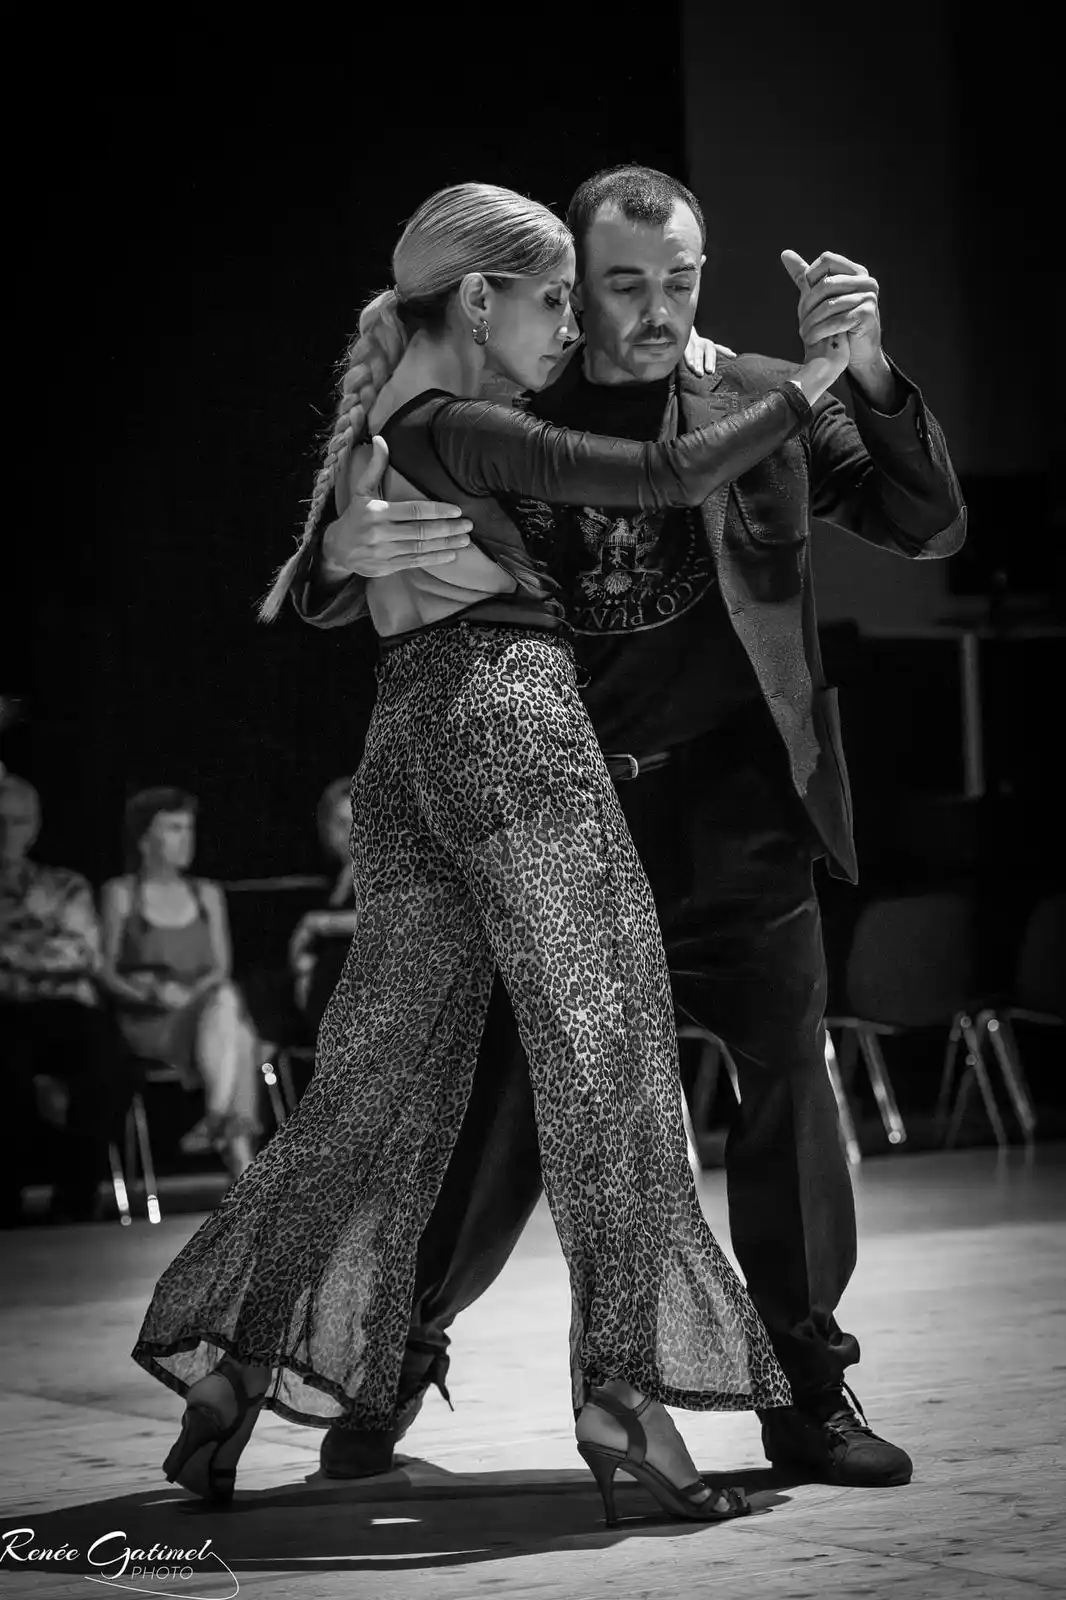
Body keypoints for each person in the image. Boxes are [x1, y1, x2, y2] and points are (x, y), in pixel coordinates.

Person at [130, 181, 854, 1524]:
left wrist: (339, 555)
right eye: (553, 301)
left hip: (404, 740)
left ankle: (234, 1377)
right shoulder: (462, 418)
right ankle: (627, 1412)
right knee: (615, 1079)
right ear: (478, 299)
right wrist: (810, 382)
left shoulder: (381, 428)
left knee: (364, 1092)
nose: (569, 325)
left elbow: (316, 583)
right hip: (513, 729)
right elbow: (657, 473)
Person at [297, 166, 966, 1489]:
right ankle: (394, 1351)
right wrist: (339, 554)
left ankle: (804, 1387)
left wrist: (872, 374)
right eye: (622, 284)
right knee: (492, 1110)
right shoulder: (501, 399)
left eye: (680, 281)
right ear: (567, 287)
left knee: (785, 1077)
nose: (655, 310)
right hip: (549, 810)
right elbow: (338, 567)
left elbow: (927, 522)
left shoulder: (751, 395)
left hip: (731, 806)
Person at [100, 788, 261, 1179]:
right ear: (144, 838)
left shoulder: (206, 893)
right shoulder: (122, 893)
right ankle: (236, 1155)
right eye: (173, 828)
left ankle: (224, 1135)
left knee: (228, 1013)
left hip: (204, 1010)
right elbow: (104, 971)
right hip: (151, 1020)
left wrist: (193, 995)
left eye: (189, 828)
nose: (186, 838)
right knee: (238, 1033)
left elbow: (220, 968)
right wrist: (151, 993)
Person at [0, 773, 124, 1224]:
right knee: (7, 1068)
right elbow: (61, 950)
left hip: (68, 1010)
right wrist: (45, 946)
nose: (5, 832)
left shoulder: (65, 885)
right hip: (6, 1012)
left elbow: (82, 953)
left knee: (105, 1061)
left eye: (16, 821)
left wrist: (12, 951)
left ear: (33, 827)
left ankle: (78, 1198)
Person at [287, 776, 359, 1031]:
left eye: (356, 822)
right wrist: (303, 965)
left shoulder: (379, 871)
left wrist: (318, 923)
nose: (349, 833)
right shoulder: (333, 878)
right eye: (341, 823)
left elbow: (386, 917)